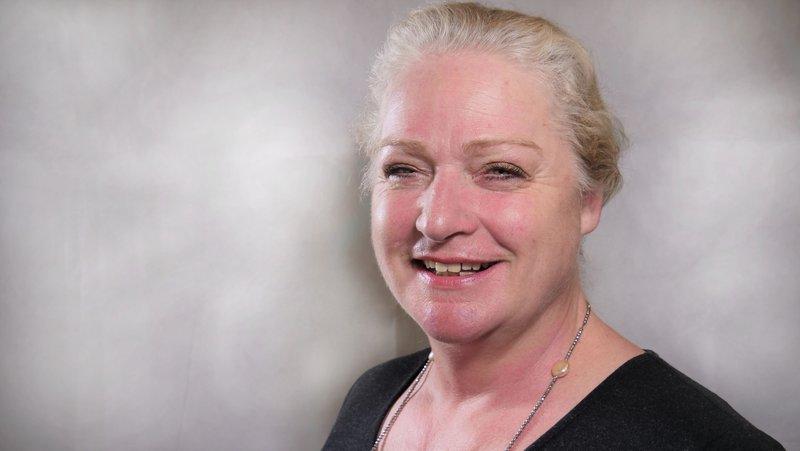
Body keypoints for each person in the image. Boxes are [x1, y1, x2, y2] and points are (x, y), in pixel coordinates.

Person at [324, 2, 783, 449]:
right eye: (403, 169)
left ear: (588, 199)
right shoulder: (372, 400)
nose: (439, 220)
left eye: (502, 170)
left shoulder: (697, 440)